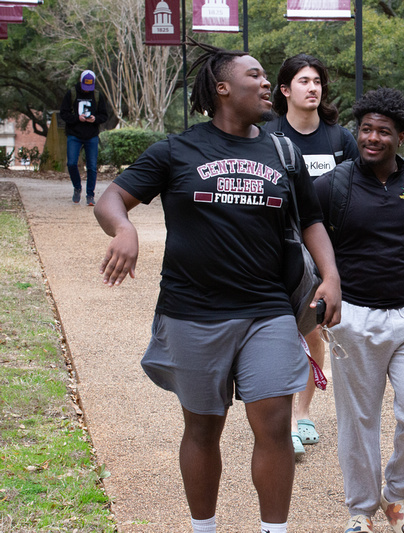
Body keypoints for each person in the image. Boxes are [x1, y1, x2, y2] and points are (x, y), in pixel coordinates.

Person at [93, 42, 341, 533]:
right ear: (223, 88)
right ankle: (202, 528)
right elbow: (111, 200)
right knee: (203, 426)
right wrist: (124, 230)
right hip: (192, 310)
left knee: (272, 423)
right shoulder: (177, 149)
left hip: (266, 309)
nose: (267, 83)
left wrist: (330, 276)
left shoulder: (281, 151)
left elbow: (311, 221)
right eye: (256, 75)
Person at [314, 87, 404, 533]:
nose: (372, 137)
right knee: (358, 419)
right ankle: (361, 508)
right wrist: (321, 300)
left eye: (383, 131)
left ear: (401, 136)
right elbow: (310, 243)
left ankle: (397, 494)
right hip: (354, 317)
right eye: (365, 129)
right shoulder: (332, 184)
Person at [266, 53, 358, 457]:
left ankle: (303, 413)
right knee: (279, 334)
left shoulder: (341, 140)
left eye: (317, 81)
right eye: (303, 81)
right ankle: (282, 421)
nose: (313, 87)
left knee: (312, 331)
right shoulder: (267, 136)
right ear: (285, 90)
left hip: (327, 251)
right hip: (278, 250)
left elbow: (360, 190)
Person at [60, 69, 109, 206]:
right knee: (71, 163)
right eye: (85, 86)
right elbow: (63, 113)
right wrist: (77, 118)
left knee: (92, 167)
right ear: (80, 82)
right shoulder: (72, 93)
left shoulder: (98, 96)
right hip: (74, 134)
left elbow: (104, 115)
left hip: (91, 136)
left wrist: (95, 119)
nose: (87, 90)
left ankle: (90, 195)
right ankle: (77, 187)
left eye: (90, 87)